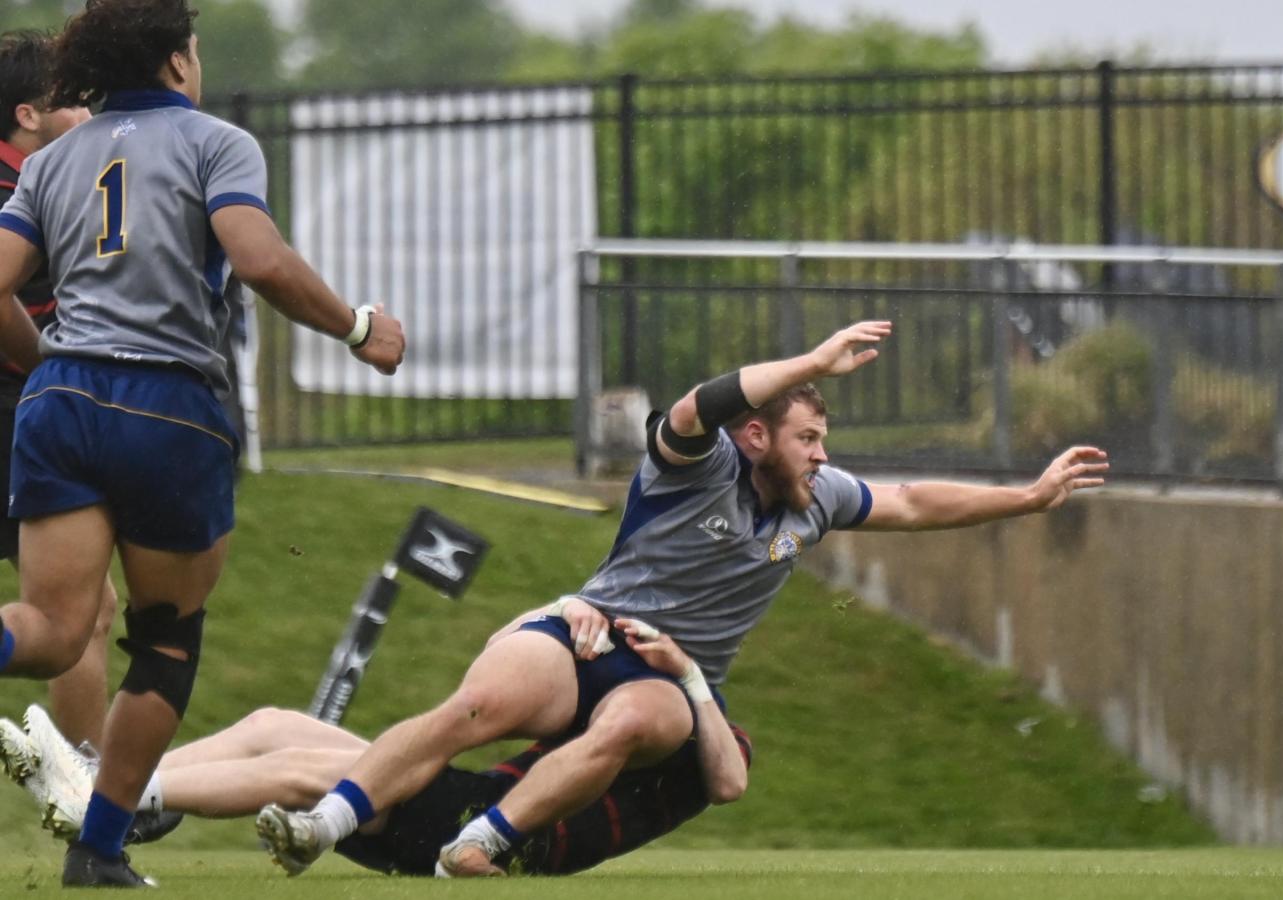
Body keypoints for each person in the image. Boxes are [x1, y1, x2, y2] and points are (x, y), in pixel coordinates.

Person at [260, 319, 1108, 879]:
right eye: (807, 437)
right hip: (586, 631)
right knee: (482, 704)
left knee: (644, 723)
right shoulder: (696, 465)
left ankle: (478, 848)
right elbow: (702, 402)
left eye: (825, 441)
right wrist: (811, 361)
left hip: (666, 673)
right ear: (756, 436)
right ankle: (326, 826)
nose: (822, 456)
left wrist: (1027, 498)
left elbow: (917, 501)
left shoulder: (816, 503)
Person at [0, 0, 405, 886]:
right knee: (165, 643)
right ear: (179, 62)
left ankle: (97, 842)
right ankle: (98, 853)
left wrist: (43, 369)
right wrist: (357, 325)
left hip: (63, 398)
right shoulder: (217, 143)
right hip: (169, 404)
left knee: (48, 632)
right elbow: (258, 261)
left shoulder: (55, 158)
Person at [1, 615, 751, 877]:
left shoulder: (690, 722)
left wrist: (690, 679)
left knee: (301, 771)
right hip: (466, 798)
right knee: (273, 723)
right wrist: (568, 612)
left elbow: (729, 782)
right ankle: (98, 777)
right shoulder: (623, 690)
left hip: (472, 829)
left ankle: (106, 802)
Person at [0, 29, 118, 756]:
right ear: (28, 115)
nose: (88, 116)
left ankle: (89, 790)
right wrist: (44, 364)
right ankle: (90, 798)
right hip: (13, 415)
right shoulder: (21, 188)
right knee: (83, 612)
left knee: (86, 611)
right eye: (73, 103)